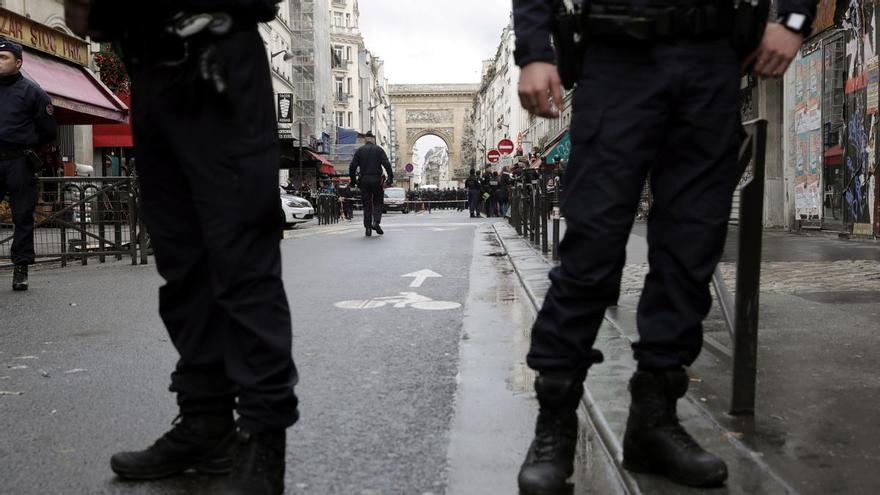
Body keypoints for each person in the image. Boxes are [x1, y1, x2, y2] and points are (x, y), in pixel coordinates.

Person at [512, 1, 817, 493]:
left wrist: (795, 17)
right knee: (591, 250)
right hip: (617, 56)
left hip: (714, 58)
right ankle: (555, 425)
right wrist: (533, 49)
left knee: (690, 248)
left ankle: (654, 418)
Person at [65, 3, 299, 494]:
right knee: (182, 264)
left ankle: (262, 436)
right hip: (147, 65)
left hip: (215, 50)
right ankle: (206, 424)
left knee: (240, 259)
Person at [0, 39, 57, 292]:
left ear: (18, 62)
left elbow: (48, 131)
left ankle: (20, 268)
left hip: (19, 162)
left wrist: (27, 149)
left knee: (22, 216)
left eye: (4, 58)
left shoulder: (34, 93)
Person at [350, 131, 393, 237]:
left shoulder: (360, 151)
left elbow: (352, 166)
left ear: (365, 139)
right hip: (377, 179)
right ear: (373, 140)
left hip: (364, 179)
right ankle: (376, 222)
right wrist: (390, 178)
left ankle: (368, 228)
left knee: (367, 204)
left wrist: (353, 181)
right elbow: (386, 164)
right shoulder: (378, 150)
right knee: (378, 201)